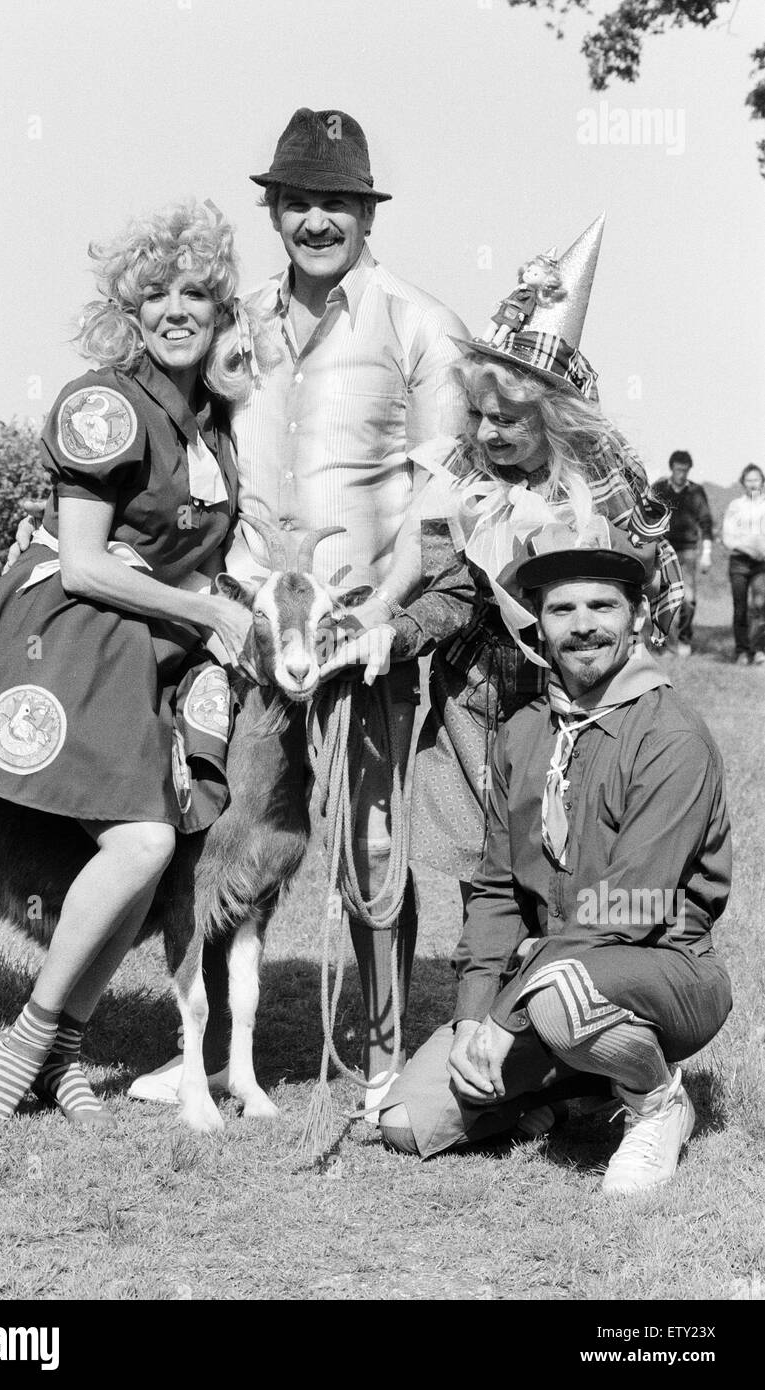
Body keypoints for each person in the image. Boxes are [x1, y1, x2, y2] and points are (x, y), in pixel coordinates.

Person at [128, 108, 470, 1115]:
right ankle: (209, 1051)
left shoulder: (418, 324)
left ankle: (378, 1061)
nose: (318, 218)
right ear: (272, 209)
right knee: (236, 825)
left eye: (339, 201)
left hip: (363, 630)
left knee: (373, 845)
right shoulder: (231, 323)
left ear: (367, 213)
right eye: (300, 200)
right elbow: (181, 456)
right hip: (243, 625)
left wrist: (386, 611)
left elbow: (433, 501)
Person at [0, 200, 260, 1129]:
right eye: (157, 293)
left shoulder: (205, 421)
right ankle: (27, 1041)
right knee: (142, 842)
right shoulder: (105, 403)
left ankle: (62, 1051)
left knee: (160, 855)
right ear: (129, 311)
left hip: (149, 649)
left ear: (222, 311)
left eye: (198, 293)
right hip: (71, 636)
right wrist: (209, 609)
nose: (178, 308)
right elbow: (88, 561)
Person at [322, 216, 683, 918]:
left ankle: (561, 998)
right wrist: (394, 631)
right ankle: (484, 1001)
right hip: (473, 699)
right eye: (479, 415)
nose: (487, 433)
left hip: (563, 708)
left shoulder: (593, 497)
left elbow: (639, 592)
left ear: (552, 419)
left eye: (508, 421)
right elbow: (450, 590)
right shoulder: (470, 481)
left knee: (561, 874)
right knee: (482, 881)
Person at [377, 521, 732, 1195]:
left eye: (602, 606)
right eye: (561, 609)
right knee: (404, 1120)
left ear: (635, 620)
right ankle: (575, 1089)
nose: (582, 626)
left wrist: (506, 1015)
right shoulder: (524, 731)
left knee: (560, 998)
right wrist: (472, 1015)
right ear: (537, 626)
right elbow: (494, 888)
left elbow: (632, 905)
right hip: (547, 976)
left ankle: (657, 1102)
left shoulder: (668, 735)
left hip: (661, 969)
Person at [653, 450, 714, 656]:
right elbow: (648, 517)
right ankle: (666, 643)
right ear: (672, 468)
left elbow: (706, 522)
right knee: (664, 596)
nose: (682, 474)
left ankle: (685, 639)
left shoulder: (696, 492)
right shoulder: (660, 489)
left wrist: (706, 553)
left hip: (688, 550)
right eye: (678, 469)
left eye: (685, 470)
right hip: (662, 549)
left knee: (688, 598)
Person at [722, 463, 765, 667]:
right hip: (740, 562)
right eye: (749, 480)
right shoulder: (735, 506)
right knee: (740, 608)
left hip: (762, 564)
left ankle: (758, 650)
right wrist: (749, 548)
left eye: (756, 479)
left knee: (759, 605)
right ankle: (741, 651)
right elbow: (728, 537)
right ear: (743, 483)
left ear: (762, 481)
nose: (753, 484)